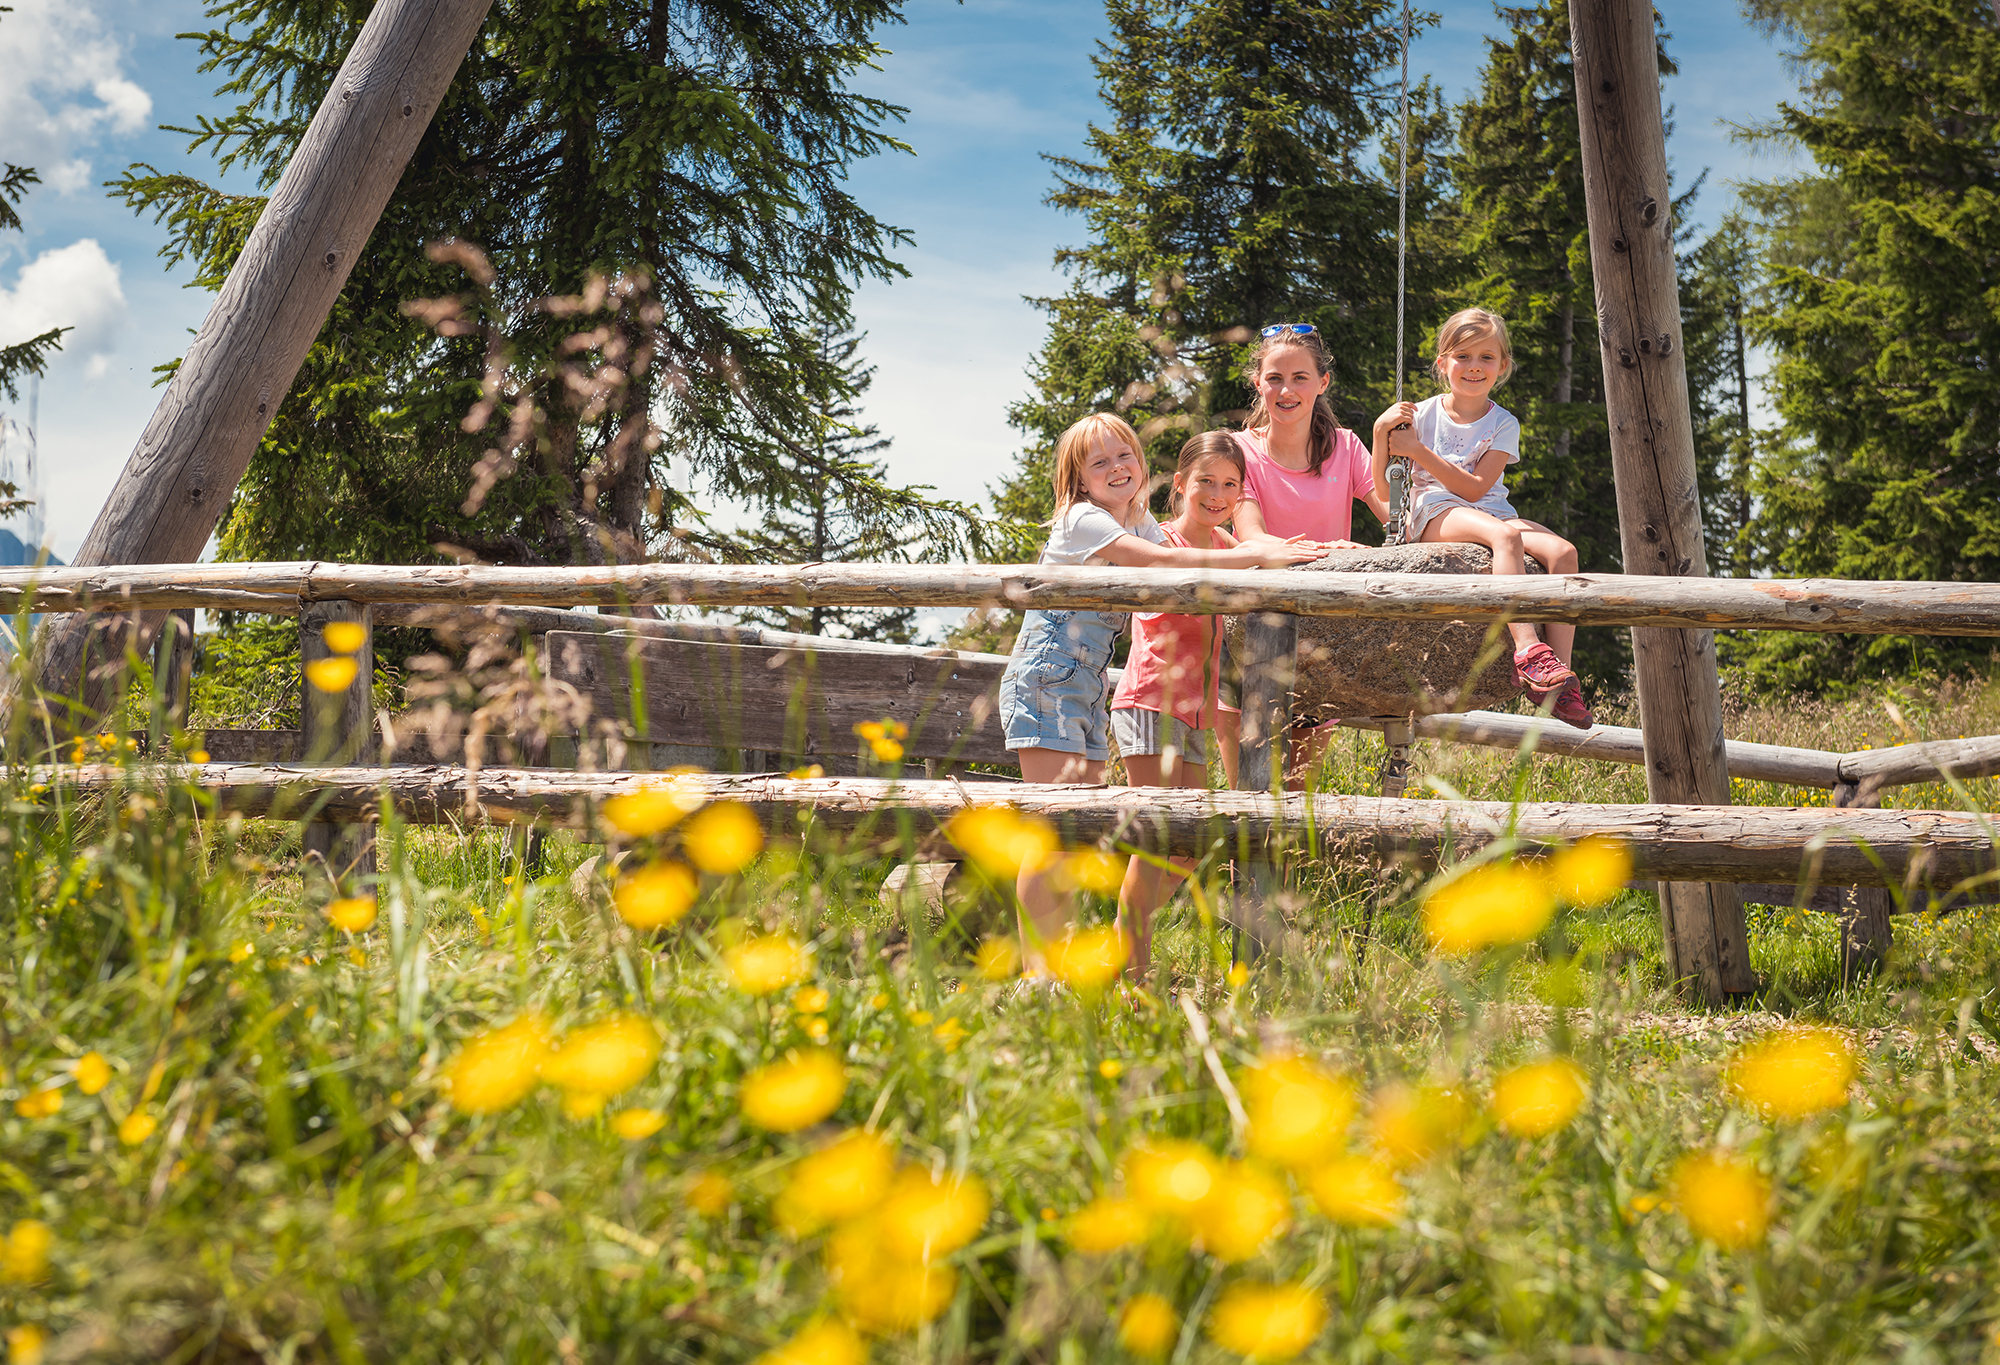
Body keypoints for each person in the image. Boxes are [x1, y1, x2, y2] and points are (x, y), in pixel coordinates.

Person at [998, 412, 1320, 970]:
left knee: (1074, 832)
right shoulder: (1084, 520)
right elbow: (1169, 562)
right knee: (1053, 830)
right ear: (1079, 479)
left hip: (1086, 686)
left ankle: (1065, 965)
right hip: (1047, 676)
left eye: (1124, 455)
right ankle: (1040, 977)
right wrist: (1251, 555)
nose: (1117, 468)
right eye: (1100, 463)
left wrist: (1287, 551)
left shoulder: (1137, 522)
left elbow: (1173, 580)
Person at [1371, 307, 1591, 727]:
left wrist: (1418, 451)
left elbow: (1476, 488)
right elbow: (1384, 492)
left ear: (1502, 366)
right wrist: (1383, 434)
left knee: (1564, 552)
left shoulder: (1504, 423)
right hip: (1434, 509)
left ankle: (1558, 680)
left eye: (1486, 357)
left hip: (1486, 508)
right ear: (1443, 363)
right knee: (1506, 541)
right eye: (1463, 356)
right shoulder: (1420, 416)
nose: (1474, 367)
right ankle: (1527, 649)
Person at [1225, 323, 1391, 788]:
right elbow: (1252, 537)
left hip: (1319, 639)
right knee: (1247, 796)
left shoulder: (1347, 447)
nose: (1286, 389)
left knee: (1296, 793)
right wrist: (1331, 552)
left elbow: (1397, 518)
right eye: (1274, 377)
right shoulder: (1238, 452)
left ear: (1323, 383)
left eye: (1300, 377)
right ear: (1257, 382)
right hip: (1247, 636)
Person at [1107, 431, 1246, 980]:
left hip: (1195, 714)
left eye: (1229, 485)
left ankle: (1118, 947)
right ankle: (1131, 974)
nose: (1216, 494)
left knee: (1187, 847)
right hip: (1149, 702)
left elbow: (1277, 550)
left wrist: (1334, 549)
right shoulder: (1158, 539)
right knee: (1161, 837)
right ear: (1181, 484)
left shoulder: (1228, 546)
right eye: (1205, 482)